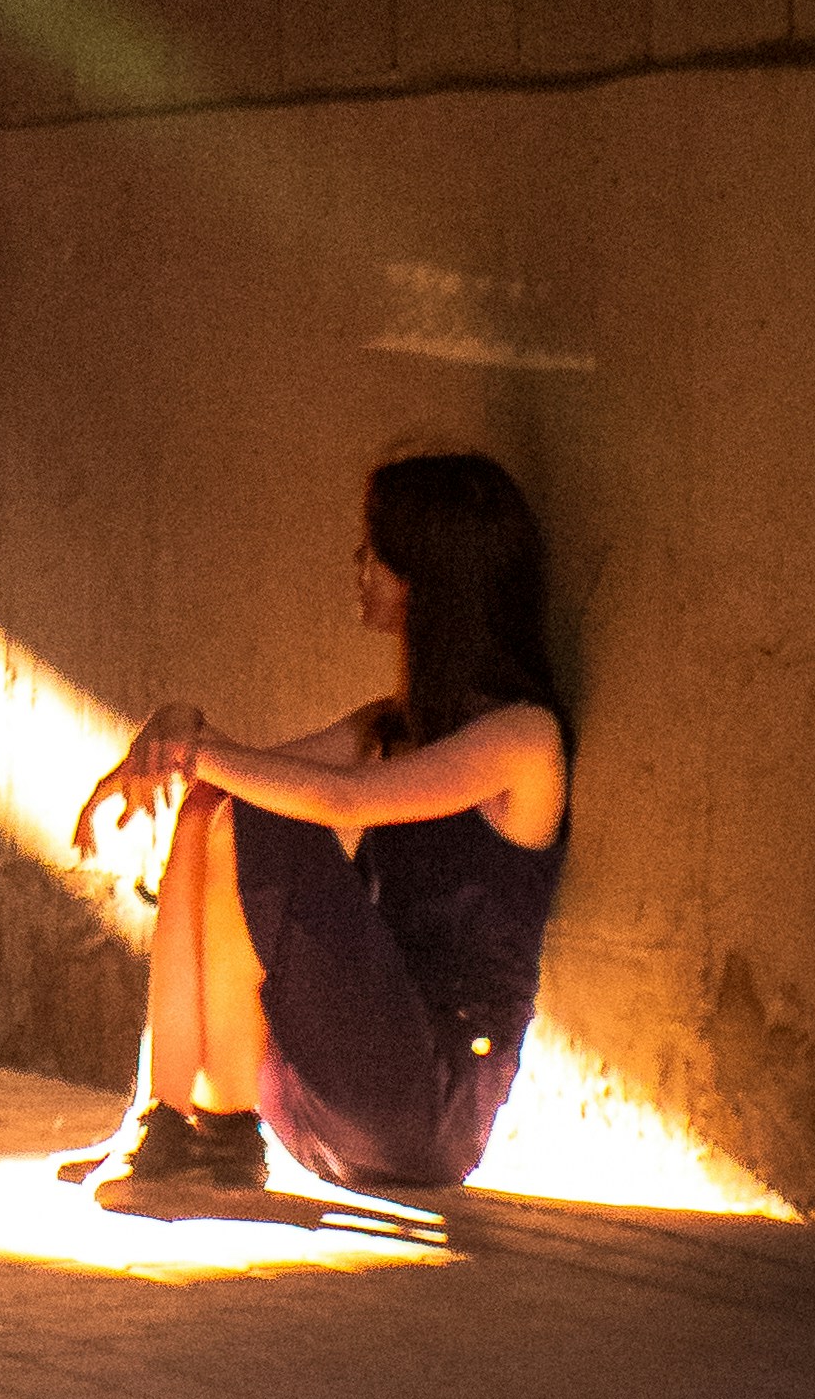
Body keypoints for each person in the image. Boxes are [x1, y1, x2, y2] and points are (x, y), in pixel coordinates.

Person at [69, 451, 570, 1207]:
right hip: (326, 1087)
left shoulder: (522, 740)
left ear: (429, 577)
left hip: (424, 1103)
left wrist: (195, 750)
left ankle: (209, 1133)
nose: (357, 565)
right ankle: (169, 1119)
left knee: (253, 811)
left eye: (374, 551)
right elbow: (237, 780)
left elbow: (337, 800)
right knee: (214, 809)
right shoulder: (395, 722)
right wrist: (179, 732)